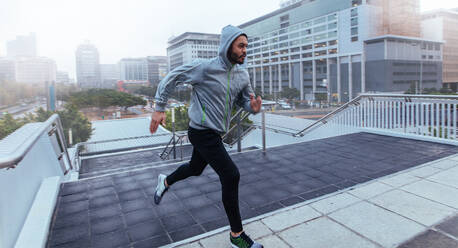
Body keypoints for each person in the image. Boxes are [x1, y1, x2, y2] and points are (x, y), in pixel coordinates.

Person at [150, 25, 263, 248]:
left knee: (195, 168)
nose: (244, 50)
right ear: (227, 46)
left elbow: (243, 101)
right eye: (241, 46)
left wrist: (253, 108)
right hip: (201, 132)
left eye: (246, 46)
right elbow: (171, 78)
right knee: (231, 175)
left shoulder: (242, 73)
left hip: (215, 133)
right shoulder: (205, 68)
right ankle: (236, 235)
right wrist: (159, 107)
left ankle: (165, 180)